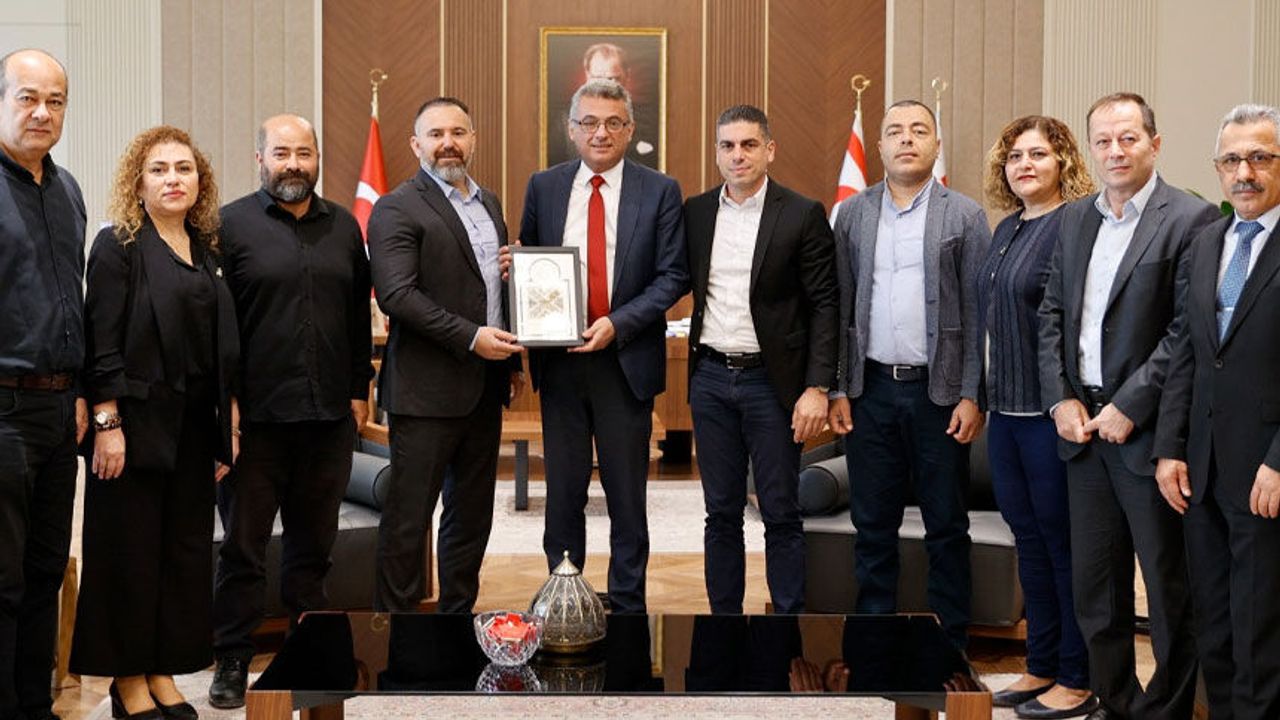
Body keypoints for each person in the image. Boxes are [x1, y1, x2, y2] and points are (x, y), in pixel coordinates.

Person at [1037, 92, 1218, 720]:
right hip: (1081, 430)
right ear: (1091, 148)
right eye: (1104, 141)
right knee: (1096, 588)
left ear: (1154, 144)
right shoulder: (1074, 219)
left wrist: (1130, 404)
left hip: (1148, 434)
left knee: (1168, 589)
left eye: (1128, 138)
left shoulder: (1191, 218)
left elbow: (1186, 331)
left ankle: (1166, 711)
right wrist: (1059, 397)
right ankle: (1115, 703)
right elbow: (1052, 312)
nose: (1115, 151)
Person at [70, 125, 239, 719]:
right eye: (159, 169)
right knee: (129, 557)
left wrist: (223, 430)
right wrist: (108, 423)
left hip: (192, 431)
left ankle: (162, 670)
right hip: (133, 430)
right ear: (137, 182)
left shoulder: (207, 251)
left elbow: (220, 351)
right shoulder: (118, 245)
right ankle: (128, 679)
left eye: (184, 169)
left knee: (181, 555)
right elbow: (101, 342)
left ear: (200, 181)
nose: (173, 179)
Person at [207, 114, 373, 709]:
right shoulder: (228, 226)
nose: (294, 164)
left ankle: (310, 652)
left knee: (313, 548)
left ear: (317, 157)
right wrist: (224, 407)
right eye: (282, 153)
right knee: (243, 549)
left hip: (327, 420)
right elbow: (216, 326)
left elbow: (357, 316)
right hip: (254, 424)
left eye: (304, 152)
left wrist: (359, 388)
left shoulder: (344, 226)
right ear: (260, 159)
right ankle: (232, 657)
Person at [517, 79, 689, 613]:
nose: (601, 133)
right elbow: (530, 258)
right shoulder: (543, 187)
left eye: (613, 123)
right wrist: (514, 268)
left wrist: (618, 323)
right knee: (563, 493)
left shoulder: (659, 190)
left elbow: (673, 276)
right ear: (571, 129)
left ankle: (629, 603)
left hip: (625, 362)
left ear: (630, 129)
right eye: (589, 122)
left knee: (626, 495)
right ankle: (563, 598)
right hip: (560, 362)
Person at [828, 99, 990, 650]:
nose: (906, 139)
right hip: (869, 390)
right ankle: (875, 640)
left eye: (919, 130)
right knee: (873, 525)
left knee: (946, 525)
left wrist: (971, 394)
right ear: (878, 147)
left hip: (937, 395)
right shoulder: (852, 214)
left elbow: (978, 314)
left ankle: (950, 645)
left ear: (936, 144)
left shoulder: (964, 215)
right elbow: (840, 306)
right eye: (895, 131)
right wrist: (838, 387)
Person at [368, 97, 523, 614]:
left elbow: (489, 290)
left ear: (473, 139)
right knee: (409, 520)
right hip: (425, 392)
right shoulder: (396, 207)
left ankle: (457, 617)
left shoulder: (489, 204)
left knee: (471, 515)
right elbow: (398, 295)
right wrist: (472, 337)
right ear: (416, 144)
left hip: (485, 387)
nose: (448, 143)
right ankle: (397, 630)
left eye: (458, 132)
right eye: (435, 134)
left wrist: (510, 359)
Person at [684, 104, 836, 614]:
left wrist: (817, 386)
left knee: (780, 510)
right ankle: (723, 625)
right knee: (720, 513)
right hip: (709, 378)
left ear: (769, 150)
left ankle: (786, 627)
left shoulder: (801, 213)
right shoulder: (696, 212)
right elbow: (663, 275)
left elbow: (825, 303)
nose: (738, 155)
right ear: (716, 153)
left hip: (772, 384)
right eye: (727, 145)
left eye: (749, 144)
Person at [1154, 103, 1280, 720]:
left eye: (1260, 157)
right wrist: (1169, 448)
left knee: (1261, 629)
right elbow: (1187, 351)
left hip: (1266, 474)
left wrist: (1279, 461)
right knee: (1215, 624)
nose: (1244, 172)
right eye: (1231, 160)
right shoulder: (1208, 243)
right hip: (1200, 472)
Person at [978, 116, 1097, 719]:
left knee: (1062, 547)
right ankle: (1042, 664)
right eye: (1015, 156)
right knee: (1028, 543)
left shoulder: (1076, 224)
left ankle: (1077, 676)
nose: (1024, 165)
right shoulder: (1006, 228)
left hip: (1052, 417)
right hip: (1005, 414)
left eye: (1038, 154)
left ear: (1063, 162)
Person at [0, 48, 86, 720]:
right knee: (1, 579)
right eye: (27, 97)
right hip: (3, 409)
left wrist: (80, 391)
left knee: (44, 571)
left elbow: (71, 303)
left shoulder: (68, 190)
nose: (41, 112)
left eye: (54, 101)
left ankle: (35, 705)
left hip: (60, 409)